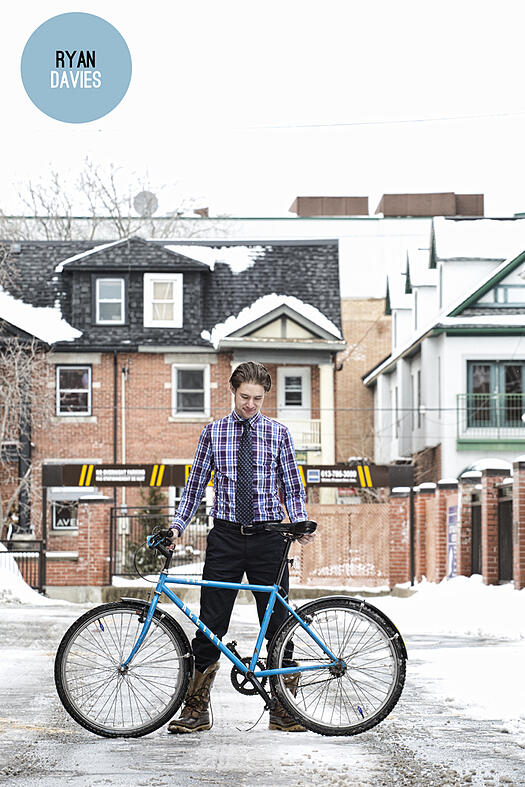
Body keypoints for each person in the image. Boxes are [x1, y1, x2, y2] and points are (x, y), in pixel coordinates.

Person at [165, 360, 315, 734]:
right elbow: (196, 486)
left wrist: (298, 521)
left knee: (278, 621)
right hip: (226, 538)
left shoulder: (278, 434)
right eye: (245, 397)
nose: (251, 404)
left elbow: (291, 486)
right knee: (210, 624)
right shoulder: (213, 433)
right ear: (233, 392)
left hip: (269, 538)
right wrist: (178, 525)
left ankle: (284, 707)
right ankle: (196, 709)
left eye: (258, 399)